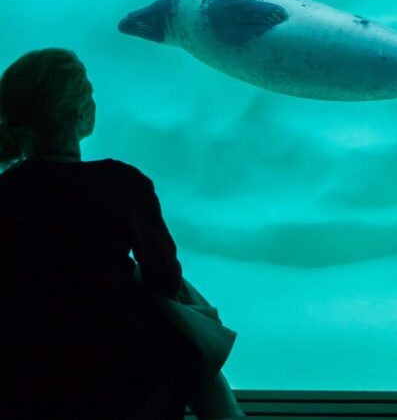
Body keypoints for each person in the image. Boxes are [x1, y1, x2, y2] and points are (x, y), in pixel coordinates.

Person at [0, 48, 244, 420]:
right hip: (118, 379)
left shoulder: (7, 191)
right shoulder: (120, 183)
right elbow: (165, 280)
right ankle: (225, 416)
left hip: (23, 379)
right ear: (81, 112)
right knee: (176, 296)